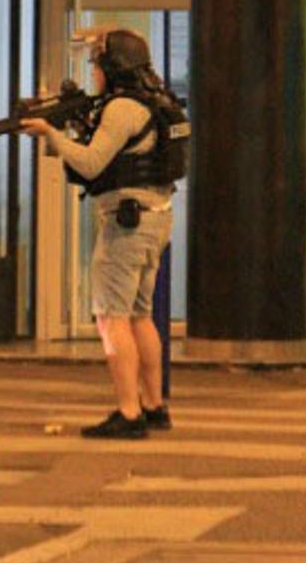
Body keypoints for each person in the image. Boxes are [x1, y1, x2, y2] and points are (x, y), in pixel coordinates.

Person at [21, 28, 186, 439]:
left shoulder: (122, 108)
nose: (94, 73)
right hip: (156, 217)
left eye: (97, 65)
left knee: (111, 319)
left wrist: (52, 135)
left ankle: (128, 413)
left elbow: (92, 163)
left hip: (127, 226)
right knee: (139, 316)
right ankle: (153, 405)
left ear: (113, 68)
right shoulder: (159, 103)